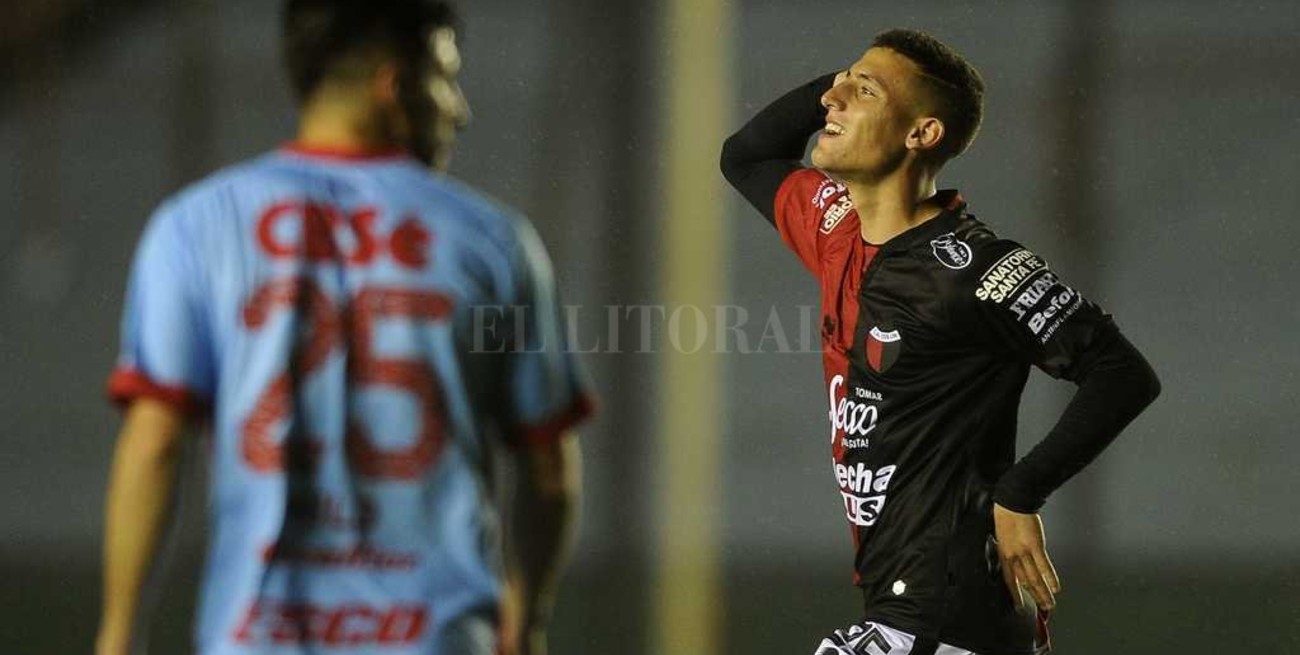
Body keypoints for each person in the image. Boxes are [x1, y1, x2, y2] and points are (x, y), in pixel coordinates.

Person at [95, 2, 593, 654]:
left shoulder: (195, 225)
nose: (459, 109)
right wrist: (524, 622)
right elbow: (548, 470)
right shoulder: (493, 242)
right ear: (395, 83)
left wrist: (118, 633)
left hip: (256, 639)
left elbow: (154, 443)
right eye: (445, 78)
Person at [720, 28, 1159, 655]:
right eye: (839, 85)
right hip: (914, 609)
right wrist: (842, 80)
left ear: (921, 134)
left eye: (863, 90)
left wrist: (1019, 494)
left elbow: (1121, 373)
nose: (833, 101)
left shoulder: (975, 269)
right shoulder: (836, 225)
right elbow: (748, 156)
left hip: (946, 610)